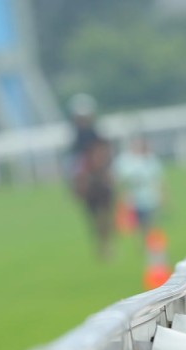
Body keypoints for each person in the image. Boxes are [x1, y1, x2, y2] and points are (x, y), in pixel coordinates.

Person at [66, 93, 115, 260]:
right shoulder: (76, 134)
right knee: (74, 169)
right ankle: (76, 190)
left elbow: (104, 147)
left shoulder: (95, 131)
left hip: (96, 161)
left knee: (108, 167)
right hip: (83, 161)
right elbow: (75, 153)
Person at [113, 135, 166, 246]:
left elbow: (158, 180)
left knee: (149, 223)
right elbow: (119, 181)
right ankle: (142, 243)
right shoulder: (125, 161)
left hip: (149, 198)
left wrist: (162, 196)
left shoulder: (151, 160)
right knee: (137, 225)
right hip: (133, 200)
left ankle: (148, 243)